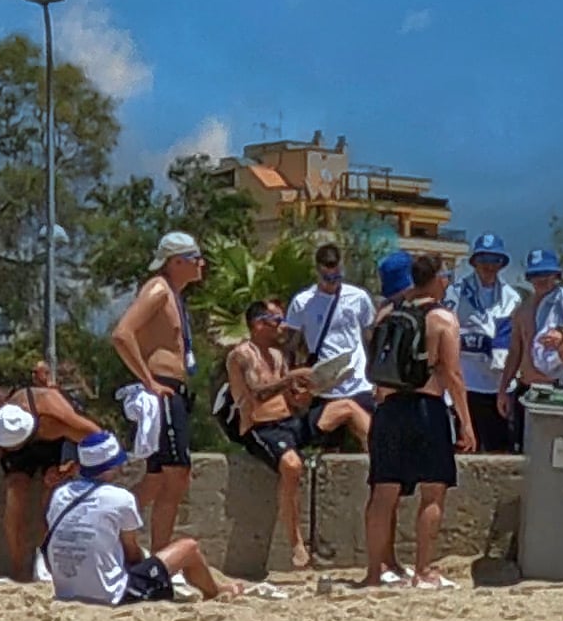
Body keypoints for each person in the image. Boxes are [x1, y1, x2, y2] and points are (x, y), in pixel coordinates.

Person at [361, 250, 475, 588]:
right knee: (432, 492)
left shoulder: (386, 314)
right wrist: (466, 422)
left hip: (389, 408)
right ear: (438, 279)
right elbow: (452, 373)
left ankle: (373, 572)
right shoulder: (443, 320)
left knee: (383, 493)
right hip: (426, 408)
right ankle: (424, 570)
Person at [42, 432, 236, 605]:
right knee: (188, 547)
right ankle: (216, 592)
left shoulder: (61, 494)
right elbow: (132, 553)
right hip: (111, 595)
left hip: (65, 592)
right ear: (112, 465)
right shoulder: (120, 498)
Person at [110, 232, 208, 549]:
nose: (201, 264)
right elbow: (122, 334)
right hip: (162, 390)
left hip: (172, 390)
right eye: (195, 258)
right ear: (176, 261)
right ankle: (161, 555)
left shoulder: (174, 295)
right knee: (176, 474)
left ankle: (111, 532)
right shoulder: (157, 290)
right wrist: (149, 381)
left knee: (156, 480)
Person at [223, 299, 326, 573]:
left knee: (345, 409)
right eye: (276, 320)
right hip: (261, 427)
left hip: (287, 422)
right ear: (259, 324)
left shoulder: (278, 356)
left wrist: (305, 394)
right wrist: (294, 375)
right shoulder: (242, 355)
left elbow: (289, 400)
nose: (282, 326)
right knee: (291, 465)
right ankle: (296, 542)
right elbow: (258, 394)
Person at [0, 369, 106, 581]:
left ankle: (48, 562)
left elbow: (99, 439)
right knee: (15, 495)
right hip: (25, 449)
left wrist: (70, 468)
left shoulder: (54, 414)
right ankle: (19, 570)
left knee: (52, 498)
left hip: (52, 443)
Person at [281, 235, 379, 452]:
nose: (333, 283)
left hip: (357, 382)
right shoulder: (303, 302)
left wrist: (377, 378)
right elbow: (290, 345)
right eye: (328, 278)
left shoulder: (358, 297)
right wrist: (292, 380)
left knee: (369, 437)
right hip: (324, 386)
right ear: (318, 271)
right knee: (326, 447)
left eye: (337, 277)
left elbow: (371, 338)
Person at [450, 235, 522, 454]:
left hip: (498, 386)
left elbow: (515, 342)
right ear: (475, 262)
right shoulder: (456, 292)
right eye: (484, 259)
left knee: (500, 449)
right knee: (464, 448)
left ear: (501, 264)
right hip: (467, 384)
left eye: (495, 260)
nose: (489, 266)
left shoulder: (512, 297)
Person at [512, 246, 563, 453]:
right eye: (536, 274)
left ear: (556, 275)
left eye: (546, 274)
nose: (541, 279)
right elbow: (515, 352)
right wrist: (503, 390)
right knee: (526, 451)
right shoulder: (522, 310)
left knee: (559, 451)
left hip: (559, 389)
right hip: (528, 389)